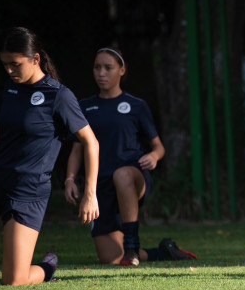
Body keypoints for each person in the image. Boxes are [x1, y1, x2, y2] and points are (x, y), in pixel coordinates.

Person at [64, 47, 196, 266]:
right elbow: (77, 149)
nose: (101, 73)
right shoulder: (85, 107)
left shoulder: (136, 105)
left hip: (133, 178)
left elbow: (159, 147)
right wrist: (70, 179)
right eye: (97, 68)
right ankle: (162, 252)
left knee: (122, 174)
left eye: (108, 68)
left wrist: (154, 156)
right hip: (101, 187)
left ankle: (133, 247)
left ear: (122, 70)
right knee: (111, 259)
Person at [0, 26, 99, 285]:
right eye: (5, 65)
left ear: (35, 59)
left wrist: (90, 194)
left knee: (14, 281)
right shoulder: (11, 88)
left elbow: (91, 142)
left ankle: (46, 268)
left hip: (27, 192)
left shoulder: (59, 96)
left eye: (15, 65)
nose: (9, 71)